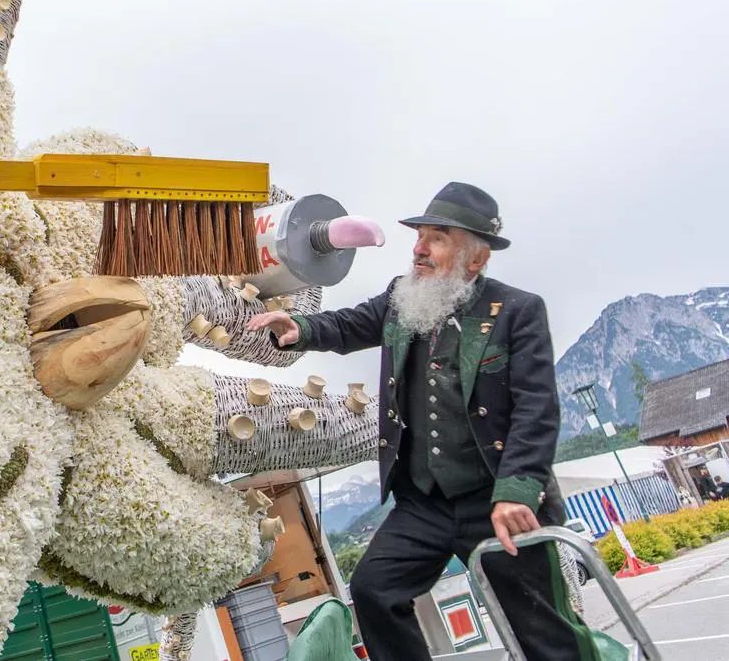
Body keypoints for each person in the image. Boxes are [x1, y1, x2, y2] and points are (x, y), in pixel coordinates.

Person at [248, 182, 612, 660]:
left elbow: (536, 410)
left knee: (542, 631)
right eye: (420, 236)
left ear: (476, 258)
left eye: (438, 238)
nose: (419, 248)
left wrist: (516, 491)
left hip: (495, 497)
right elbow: (350, 324)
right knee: (374, 589)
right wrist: (302, 328)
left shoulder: (517, 311)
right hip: (424, 503)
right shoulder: (401, 298)